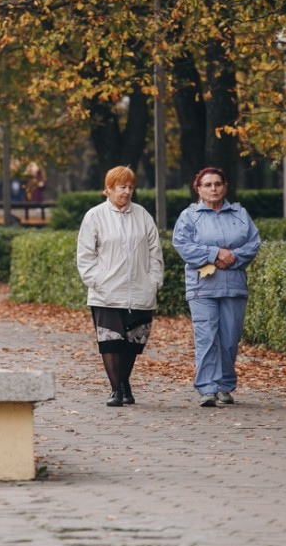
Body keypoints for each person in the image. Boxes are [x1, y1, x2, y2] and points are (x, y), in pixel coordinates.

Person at [172, 167, 261, 407]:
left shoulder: (240, 214)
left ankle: (225, 386)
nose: (213, 188)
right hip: (202, 288)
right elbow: (182, 245)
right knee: (207, 337)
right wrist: (214, 254)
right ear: (198, 189)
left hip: (234, 286)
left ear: (225, 186)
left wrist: (231, 257)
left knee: (230, 338)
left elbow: (253, 243)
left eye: (217, 184)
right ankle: (207, 388)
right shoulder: (190, 216)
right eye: (208, 185)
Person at [76, 166, 164, 407]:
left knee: (132, 343)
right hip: (106, 293)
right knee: (111, 342)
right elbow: (85, 255)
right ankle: (116, 389)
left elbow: (155, 251)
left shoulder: (143, 215)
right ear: (109, 189)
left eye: (130, 187)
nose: (127, 192)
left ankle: (124, 382)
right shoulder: (94, 216)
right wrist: (97, 281)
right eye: (122, 187)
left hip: (140, 291)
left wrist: (154, 280)